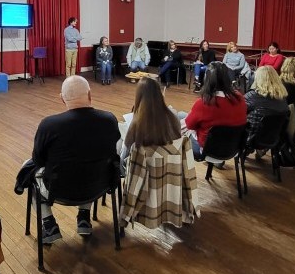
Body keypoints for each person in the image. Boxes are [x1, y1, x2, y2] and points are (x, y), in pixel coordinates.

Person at [31, 76, 119, 243]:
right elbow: (111, 152)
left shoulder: (49, 125)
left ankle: (49, 224)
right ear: (90, 94)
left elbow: (38, 160)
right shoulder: (109, 120)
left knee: (28, 176)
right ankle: (84, 217)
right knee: (90, 166)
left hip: (58, 190)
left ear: (62, 98)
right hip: (99, 186)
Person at [119, 78, 200, 229]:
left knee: (120, 147)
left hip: (145, 178)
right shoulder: (172, 116)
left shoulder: (136, 122)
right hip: (171, 173)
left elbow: (125, 154)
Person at [184, 62, 247, 162]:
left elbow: (190, 125)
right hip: (233, 148)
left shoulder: (204, 103)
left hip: (207, 150)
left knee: (179, 128)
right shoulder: (240, 98)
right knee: (182, 115)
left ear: (207, 78)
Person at [244, 66, 289, 155]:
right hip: (274, 138)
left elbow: (239, 111)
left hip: (251, 138)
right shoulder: (283, 98)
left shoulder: (252, 96)